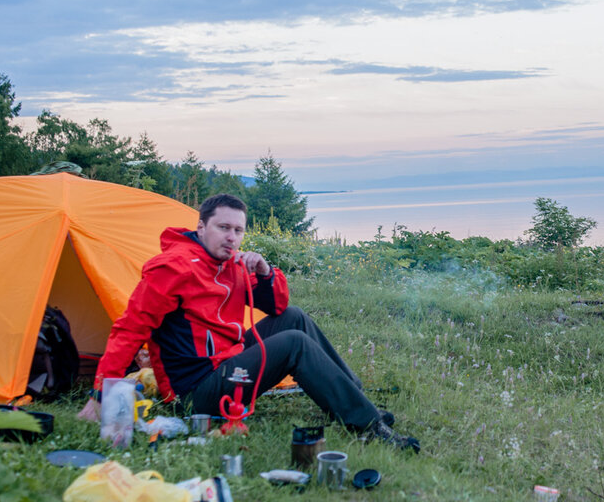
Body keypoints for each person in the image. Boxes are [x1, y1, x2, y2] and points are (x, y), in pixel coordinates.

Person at [78, 193, 418, 452]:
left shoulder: (232, 264)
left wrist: (265, 271)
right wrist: (99, 394)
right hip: (195, 392)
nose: (231, 237)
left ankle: (352, 399)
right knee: (294, 346)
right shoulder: (173, 268)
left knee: (293, 319)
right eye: (223, 227)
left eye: (238, 230)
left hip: (227, 364)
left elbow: (278, 305)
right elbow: (130, 328)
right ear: (201, 227)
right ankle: (370, 427)